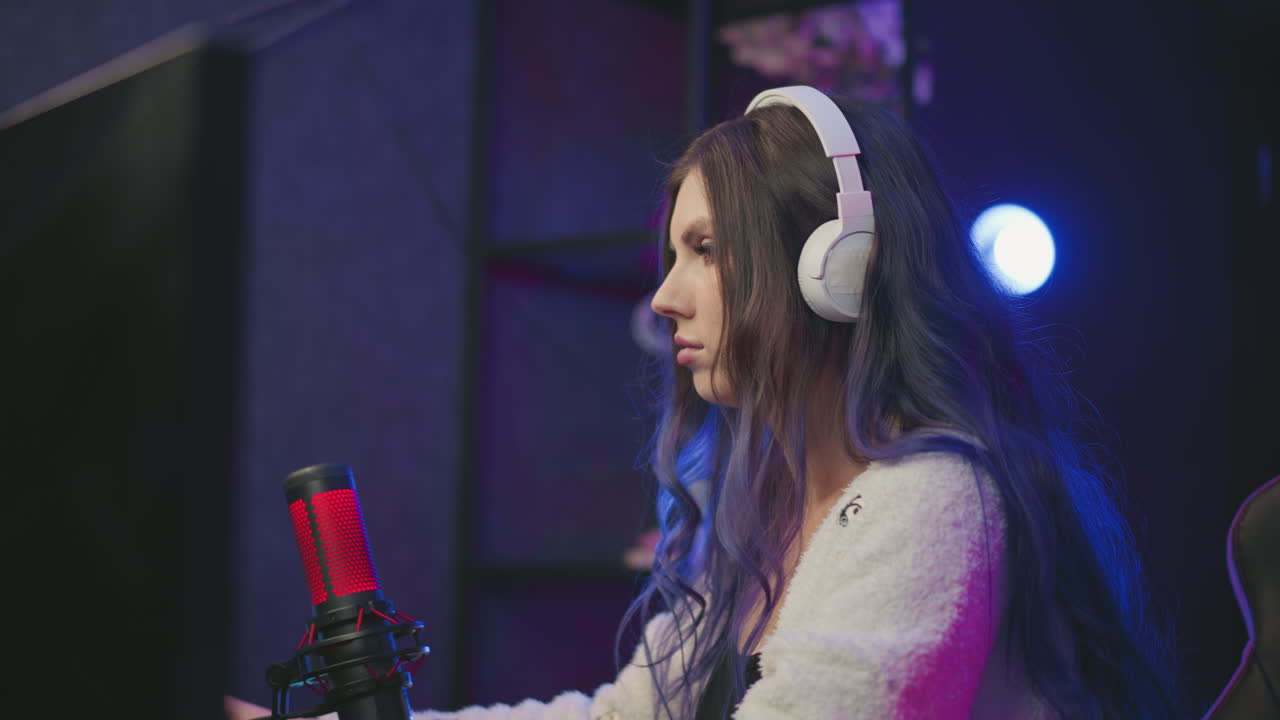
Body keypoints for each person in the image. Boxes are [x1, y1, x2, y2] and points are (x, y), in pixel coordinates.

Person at [228, 86, 1180, 719]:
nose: (664, 295)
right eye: (673, 252)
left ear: (831, 270)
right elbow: (621, 719)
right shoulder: (752, 507)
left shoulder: (932, 500)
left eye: (709, 251)